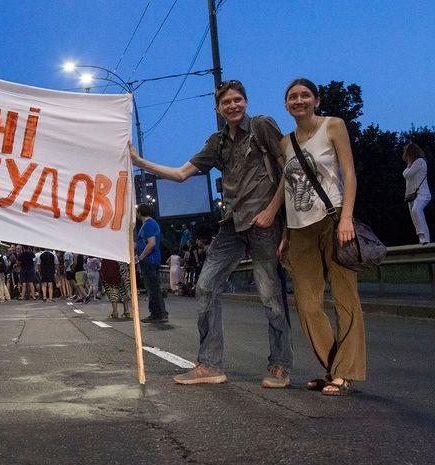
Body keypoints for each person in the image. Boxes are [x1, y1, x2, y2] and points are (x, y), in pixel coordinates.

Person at [131, 80, 292, 388]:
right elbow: (180, 174)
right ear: (217, 107)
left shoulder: (262, 126)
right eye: (226, 102)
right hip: (230, 226)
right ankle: (210, 365)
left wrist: (272, 211)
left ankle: (280, 365)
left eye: (237, 100)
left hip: (262, 224)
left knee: (270, 297)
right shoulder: (217, 142)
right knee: (205, 287)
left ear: (245, 101)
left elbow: (289, 168)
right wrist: (139, 163)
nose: (233, 105)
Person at [279, 78, 366, 396]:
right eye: (292, 97)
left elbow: (349, 173)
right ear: (286, 105)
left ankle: (346, 372)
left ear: (316, 100)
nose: (298, 100)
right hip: (299, 229)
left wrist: (346, 218)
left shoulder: (333, 125)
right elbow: (286, 187)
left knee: (345, 298)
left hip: (333, 220)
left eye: (305, 95)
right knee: (307, 304)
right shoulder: (285, 143)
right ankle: (333, 369)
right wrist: (285, 233)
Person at [134, 203, 168, 323]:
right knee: (153, 287)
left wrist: (141, 257)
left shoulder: (148, 225)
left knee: (152, 288)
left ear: (139, 213)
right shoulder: (150, 224)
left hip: (149, 260)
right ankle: (158, 313)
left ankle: (158, 314)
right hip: (150, 259)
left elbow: (151, 243)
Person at [402, 142, 431, 244]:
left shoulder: (420, 162)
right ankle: (422, 239)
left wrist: (409, 165)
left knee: (416, 211)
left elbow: (407, 174)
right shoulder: (413, 164)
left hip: (422, 194)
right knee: (415, 216)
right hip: (412, 195)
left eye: (407, 153)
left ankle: (424, 238)